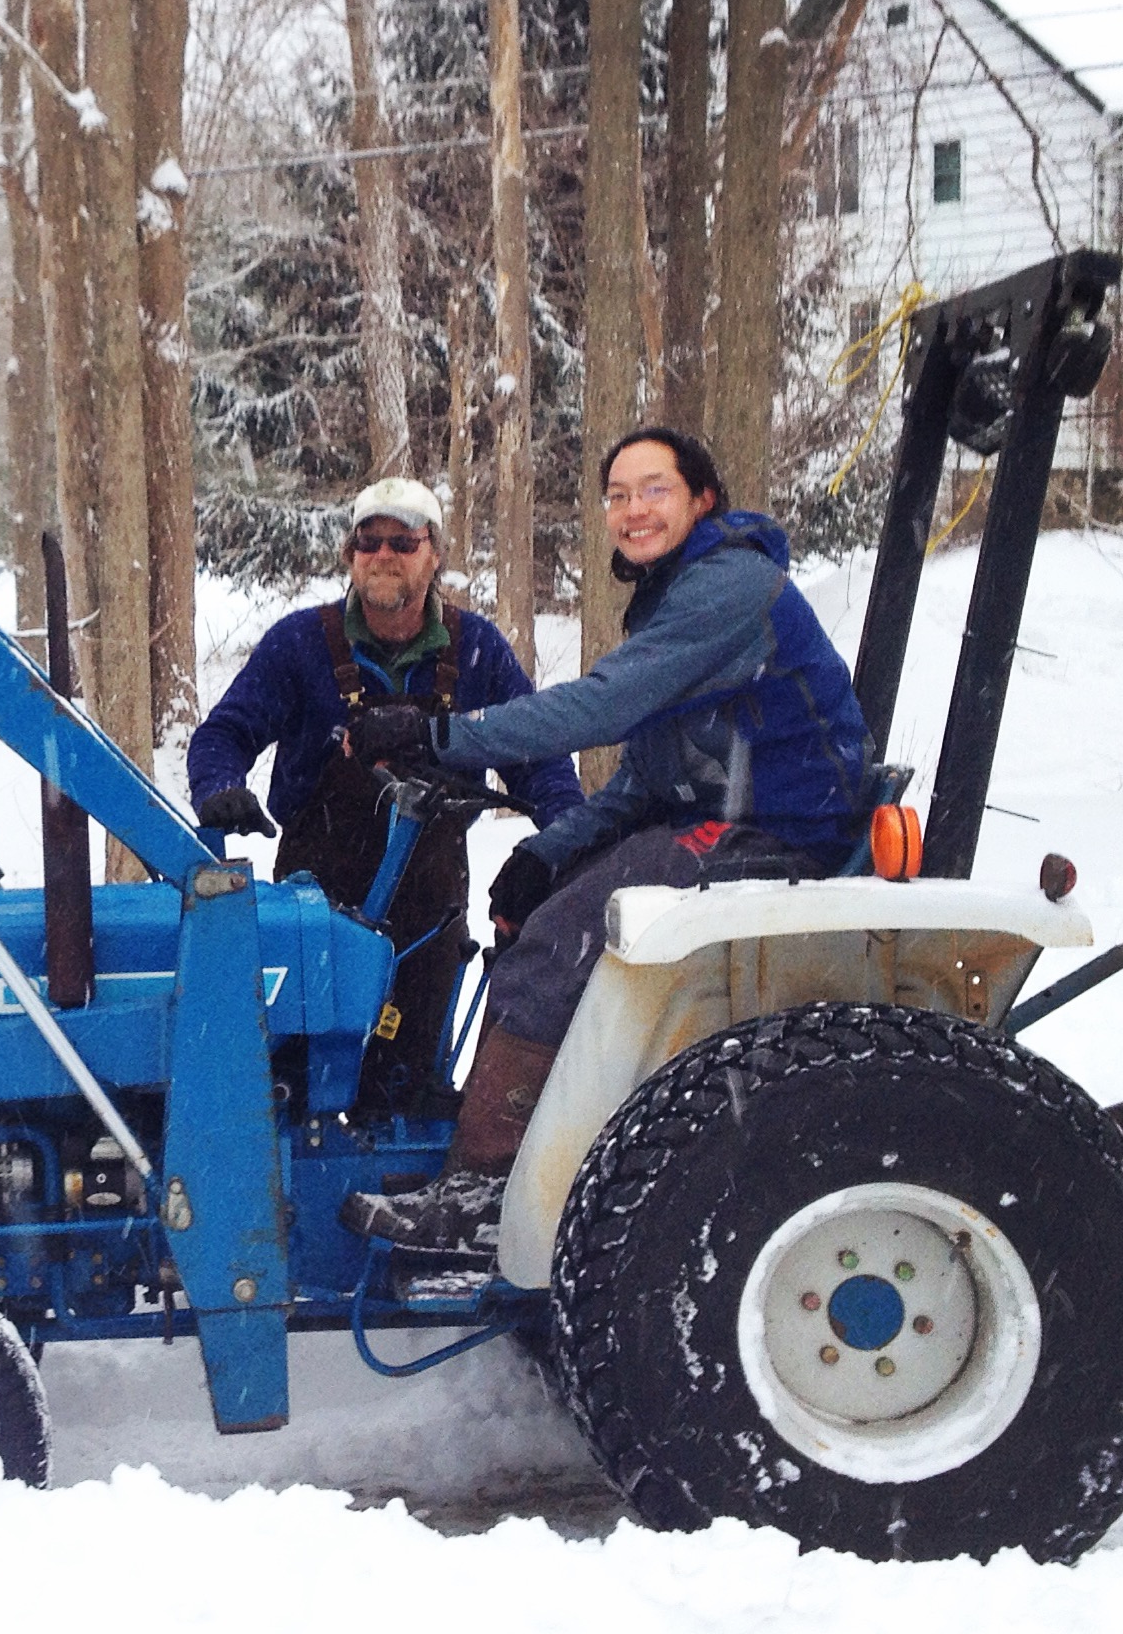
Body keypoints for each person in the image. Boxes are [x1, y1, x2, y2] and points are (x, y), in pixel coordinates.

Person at [340, 425, 875, 1258]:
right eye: (618, 495)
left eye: (654, 489)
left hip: (782, 833)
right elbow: (643, 777)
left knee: (566, 937)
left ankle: (486, 1190)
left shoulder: (733, 586)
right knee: (546, 909)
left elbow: (601, 706)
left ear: (703, 499)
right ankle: (507, 1147)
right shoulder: (677, 592)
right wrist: (546, 854)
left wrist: (439, 734)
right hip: (726, 818)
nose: (633, 510)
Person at [187, 477, 582, 1108]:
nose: (384, 554)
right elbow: (225, 733)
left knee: (407, 1091)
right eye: (368, 541)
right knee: (297, 1086)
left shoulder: (475, 650)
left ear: (434, 556)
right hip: (313, 906)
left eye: (403, 540)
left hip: (429, 910)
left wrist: (567, 840)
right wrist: (220, 786)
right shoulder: (299, 644)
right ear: (350, 555)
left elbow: (541, 762)